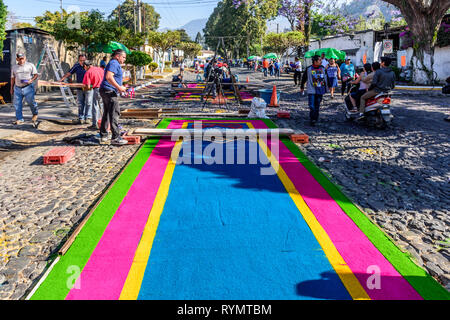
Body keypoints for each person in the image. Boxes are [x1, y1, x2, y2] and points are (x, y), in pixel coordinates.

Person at [99, 49, 128, 145]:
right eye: (123, 57)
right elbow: (108, 76)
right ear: (117, 56)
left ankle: (103, 135)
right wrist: (119, 87)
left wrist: (120, 86)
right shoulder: (114, 63)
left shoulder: (114, 63)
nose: (124, 59)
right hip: (109, 91)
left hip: (106, 90)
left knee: (107, 113)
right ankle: (115, 137)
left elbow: (112, 77)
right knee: (114, 113)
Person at [10, 52, 39, 125]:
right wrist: (11, 88)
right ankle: (20, 119)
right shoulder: (14, 67)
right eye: (19, 59)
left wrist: (31, 80)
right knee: (17, 104)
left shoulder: (30, 65)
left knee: (31, 102)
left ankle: (35, 114)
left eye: (22, 59)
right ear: (17, 59)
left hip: (28, 87)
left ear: (25, 58)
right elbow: (13, 78)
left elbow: (36, 75)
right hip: (17, 88)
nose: (21, 60)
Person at [60, 54, 88, 124]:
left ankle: (88, 118)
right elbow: (69, 73)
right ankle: (81, 118)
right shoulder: (76, 66)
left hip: (88, 88)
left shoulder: (89, 66)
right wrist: (62, 79)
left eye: (84, 60)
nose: (82, 62)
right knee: (80, 103)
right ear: (79, 60)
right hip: (79, 87)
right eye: (81, 60)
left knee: (89, 103)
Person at [300, 55, 328, 126]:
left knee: (317, 105)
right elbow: (304, 78)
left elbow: (326, 78)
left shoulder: (323, 68)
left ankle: (314, 119)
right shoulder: (309, 69)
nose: (321, 61)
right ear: (315, 61)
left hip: (320, 90)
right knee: (311, 106)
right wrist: (302, 86)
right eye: (319, 60)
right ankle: (312, 117)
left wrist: (328, 87)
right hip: (311, 90)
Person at [82, 60, 104, 130]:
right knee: (102, 106)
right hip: (104, 88)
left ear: (85, 66)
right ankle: (103, 123)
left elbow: (88, 87)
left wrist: (84, 88)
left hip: (97, 89)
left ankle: (95, 124)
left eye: (84, 67)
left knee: (95, 106)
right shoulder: (100, 69)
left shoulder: (88, 72)